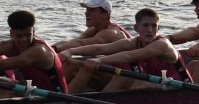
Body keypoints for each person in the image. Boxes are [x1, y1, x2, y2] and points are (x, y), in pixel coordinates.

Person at [62, 8, 190, 92]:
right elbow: (102, 48)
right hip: (158, 84)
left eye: (154, 26)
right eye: (146, 25)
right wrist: (69, 52)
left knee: (141, 83)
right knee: (121, 78)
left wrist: (99, 60)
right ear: (136, 28)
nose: (150, 30)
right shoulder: (133, 42)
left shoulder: (162, 44)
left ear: (158, 28)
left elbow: (130, 56)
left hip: (181, 88)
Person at [53, 0, 132, 85]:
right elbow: (74, 41)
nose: (86, 12)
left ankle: (59, 92)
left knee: (74, 64)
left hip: (126, 75)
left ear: (105, 14)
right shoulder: (93, 29)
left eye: (91, 10)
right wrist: (51, 48)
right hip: (111, 70)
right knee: (68, 61)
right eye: (87, 9)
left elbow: (81, 44)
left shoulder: (111, 32)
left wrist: (54, 51)